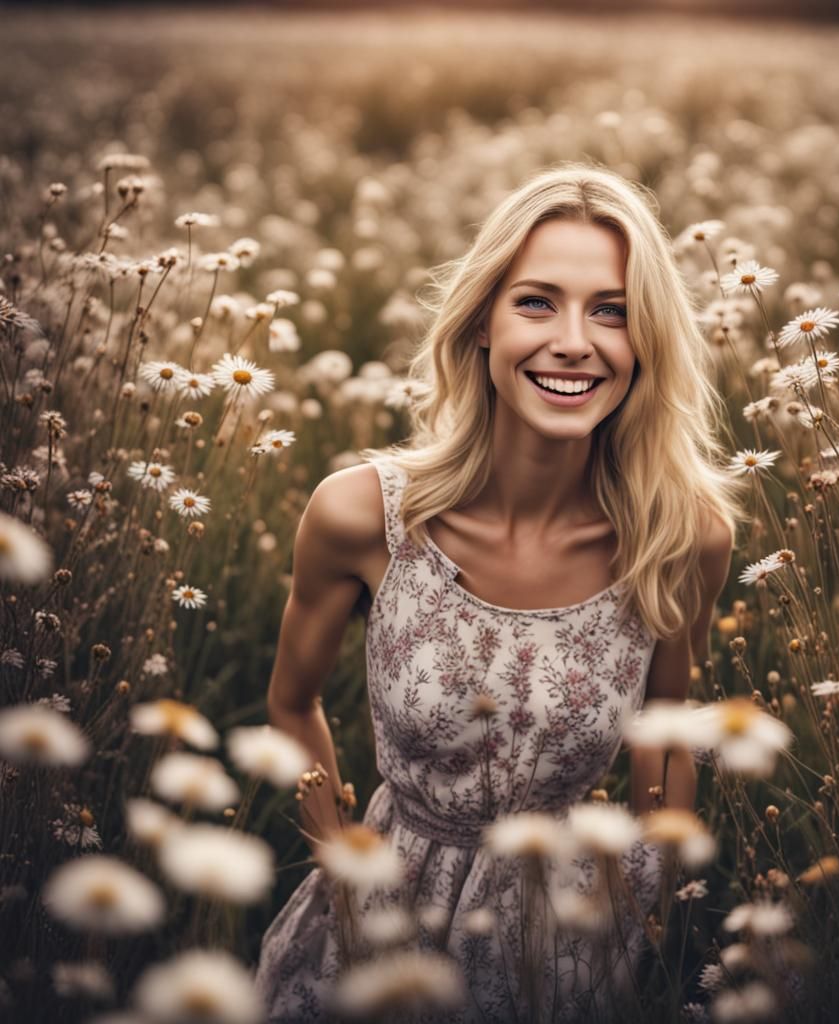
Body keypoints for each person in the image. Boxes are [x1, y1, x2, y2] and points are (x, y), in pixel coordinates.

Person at [254, 161, 746, 1023]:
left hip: (564, 954)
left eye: (612, 310)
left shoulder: (684, 535)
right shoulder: (363, 515)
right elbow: (292, 706)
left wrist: (641, 924)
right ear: (481, 323)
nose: (573, 341)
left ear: (647, 342)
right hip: (371, 942)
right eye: (535, 302)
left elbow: (664, 740)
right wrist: (341, 870)